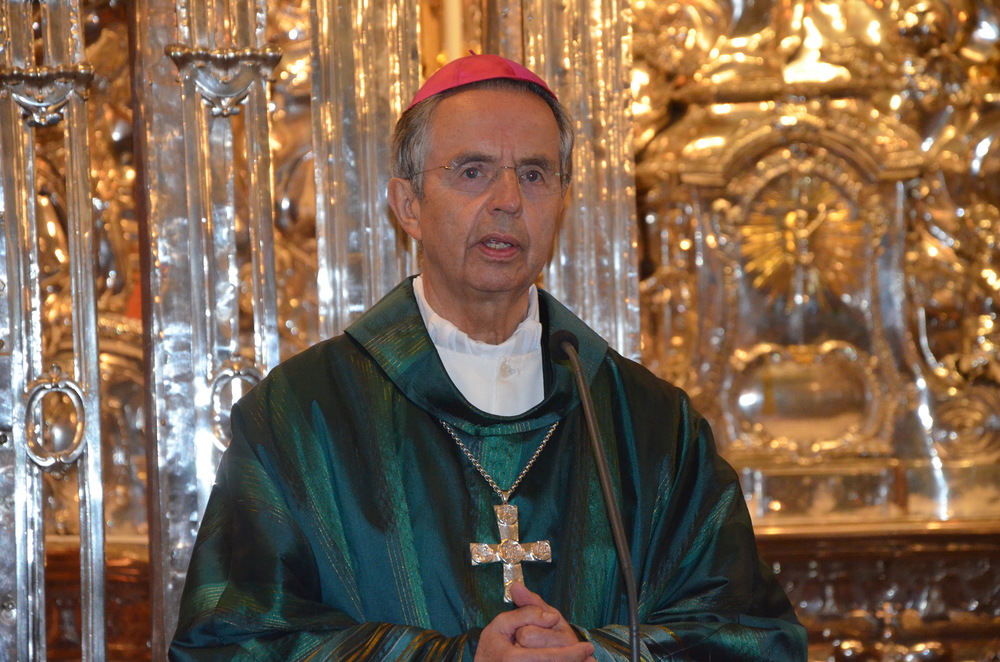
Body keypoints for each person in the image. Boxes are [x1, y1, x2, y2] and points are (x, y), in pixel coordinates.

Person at [169, 54, 807, 661]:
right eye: (472, 171)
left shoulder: (649, 424)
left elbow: (753, 636)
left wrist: (590, 655)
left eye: (533, 174)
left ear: (561, 200)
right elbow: (229, 643)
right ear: (409, 205)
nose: (507, 200)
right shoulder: (302, 416)